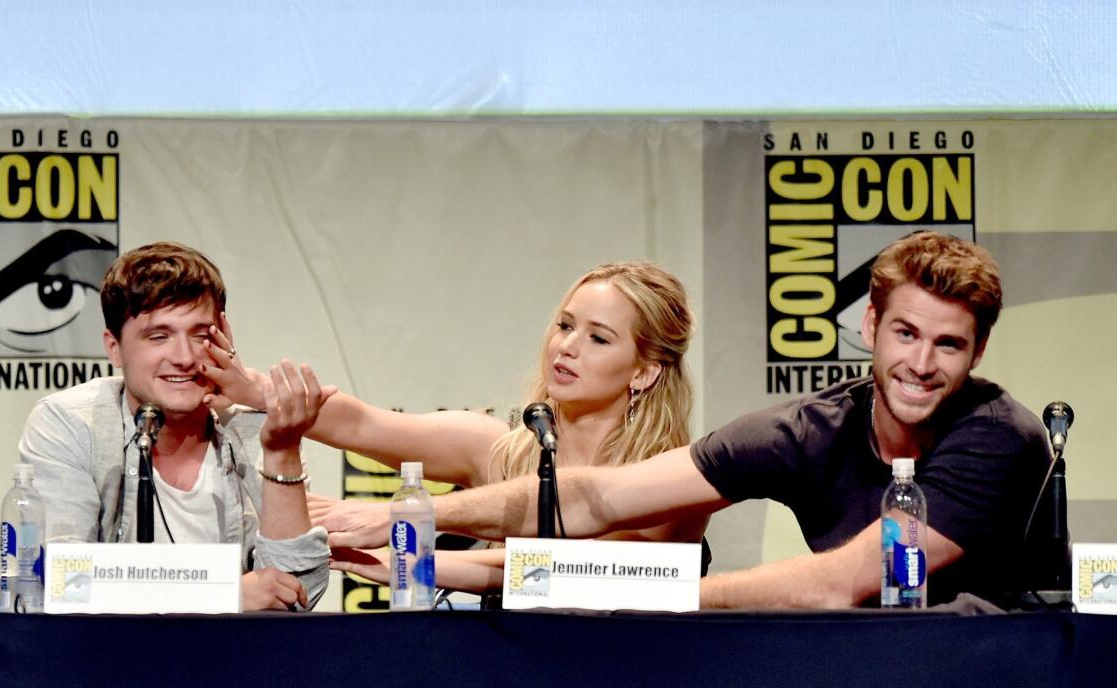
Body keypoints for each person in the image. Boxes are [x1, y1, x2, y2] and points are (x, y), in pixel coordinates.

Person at [320, 232, 1054, 609]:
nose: (922, 362)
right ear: (870, 323)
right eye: (905, 334)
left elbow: (842, 582)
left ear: (978, 350)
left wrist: (670, 597)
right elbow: (592, 496)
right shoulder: (806, 430)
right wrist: (409, 517)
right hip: (866, 675)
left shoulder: (997, 435)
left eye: (948, 343)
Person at [202, 261, 707, 593]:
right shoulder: (501, 450)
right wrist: (252, 388)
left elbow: (564, 574)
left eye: (598, 338)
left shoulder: (671, 480)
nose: (567, 347)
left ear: (644, 370)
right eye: (565, 324)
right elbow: (362, 424)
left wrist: (405, 557)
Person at [18, 242, 330, 611]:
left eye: (199, 335)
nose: (183, 358)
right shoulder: (70, 423)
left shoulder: (254, 426)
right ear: (114, 348)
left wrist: (282, 452)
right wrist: (221, 594)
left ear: (223, 340)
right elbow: (58, 582)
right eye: (159, 336)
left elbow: (295, 595)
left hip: (237, 661)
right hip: (105, 662)